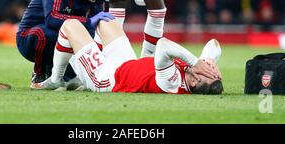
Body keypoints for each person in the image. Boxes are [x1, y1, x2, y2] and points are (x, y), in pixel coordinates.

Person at [44, 18, 223, 95]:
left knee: (71, 25)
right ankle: (84, 69)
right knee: (106, 20)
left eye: (206, 71)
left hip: (107, 78)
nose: (205, 67)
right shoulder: (195, 74)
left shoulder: (173, 82)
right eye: (210, 69)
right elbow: (214, 44)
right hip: (125, 63)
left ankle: (56, 79)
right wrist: (210, 61)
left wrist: (196, 61)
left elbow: (163, 45)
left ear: (193, 82)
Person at [16, 0, 115, 89]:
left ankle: (67, 75)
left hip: (60, 39)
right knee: (45, 34)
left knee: (84, 37)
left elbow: (90, 32)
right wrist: (87, 22)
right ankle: (40, 74)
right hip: (28, 38)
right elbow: (51, 18)